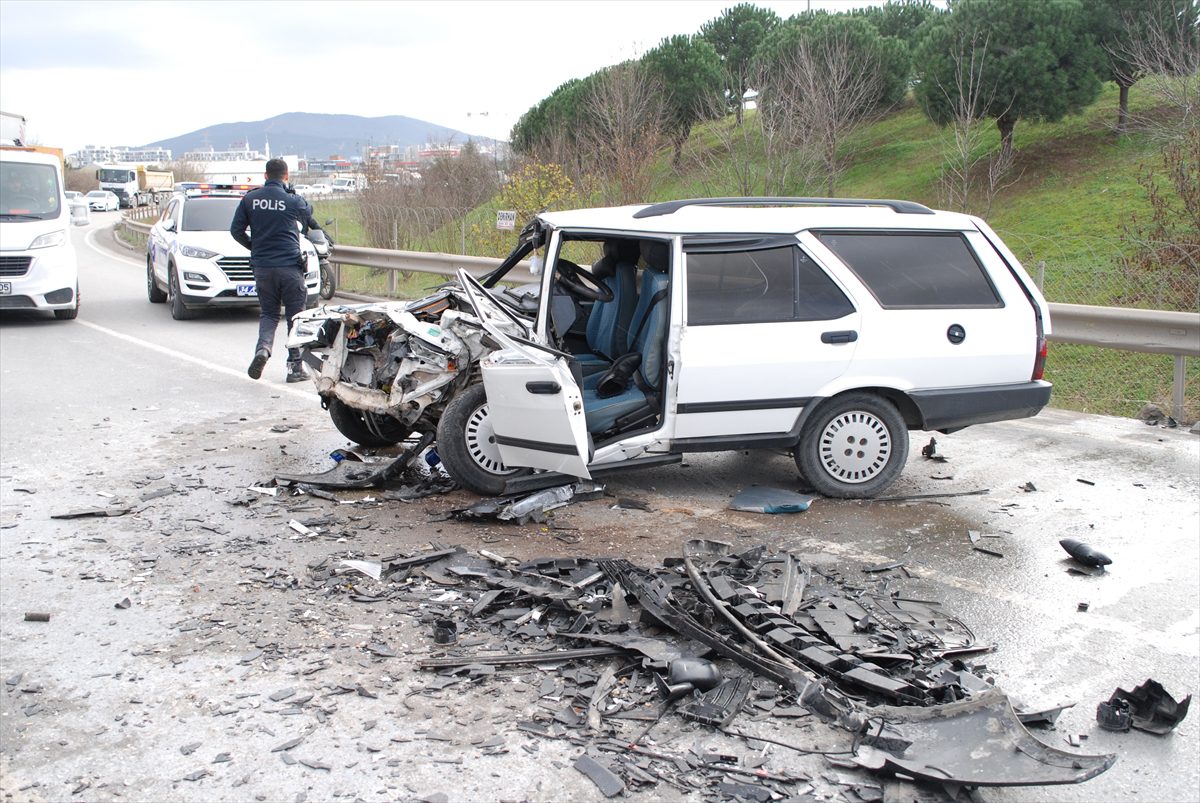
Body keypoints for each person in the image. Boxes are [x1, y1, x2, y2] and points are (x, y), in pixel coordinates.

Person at [230, 158, 314, 383]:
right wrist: (292, 194)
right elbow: (308, 211)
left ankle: (263, 350)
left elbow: (235, 230)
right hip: (290, 268)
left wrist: (254, 247)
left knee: (269, 314)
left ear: (265, 176)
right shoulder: (291, 199)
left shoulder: (250, 199)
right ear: (286, 176)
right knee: (296, 318)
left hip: (263, 269)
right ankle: (295, 367)